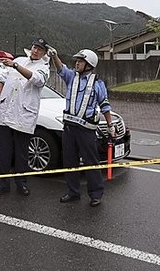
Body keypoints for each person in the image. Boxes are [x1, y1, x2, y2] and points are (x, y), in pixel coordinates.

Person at [49, 48, 116, 207]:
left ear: (89, 64)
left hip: (86, 130)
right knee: (69, 161)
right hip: (69, 128)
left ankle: (96, 194)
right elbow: (61, 69)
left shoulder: (97, 83)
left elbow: (105, 105)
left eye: (80, 61)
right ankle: (73, 192)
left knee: (90, 162)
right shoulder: (72, 76)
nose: (77, 63)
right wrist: (55, 56)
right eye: (77, 60)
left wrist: (110, 125)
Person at [0, 38, 50, 197]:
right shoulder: (18, 59)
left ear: (44, 53)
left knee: (22, 153)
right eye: (34, 47)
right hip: (6, 111)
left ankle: (21, 183)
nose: (36, 51)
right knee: (4, 152)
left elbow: (37, 80)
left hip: (24, 115)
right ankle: (3, 183)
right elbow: (1, 80)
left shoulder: (43, 67)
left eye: (40, 49)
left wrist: (15, 66)